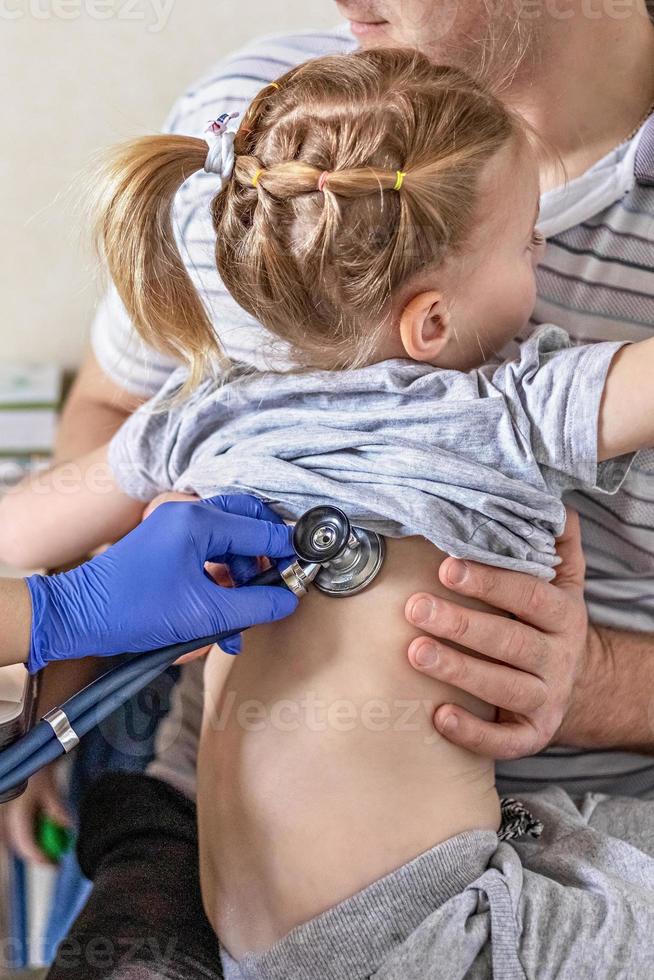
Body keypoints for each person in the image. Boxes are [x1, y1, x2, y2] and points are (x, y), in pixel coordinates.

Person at [7, 46, 654, 978]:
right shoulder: (503, 411)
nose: (543, 255)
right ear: (431, 324)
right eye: (527, 244)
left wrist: (66, 630)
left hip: (249, 913)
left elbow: (16, 537)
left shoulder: (204, 409)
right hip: (426, 931)